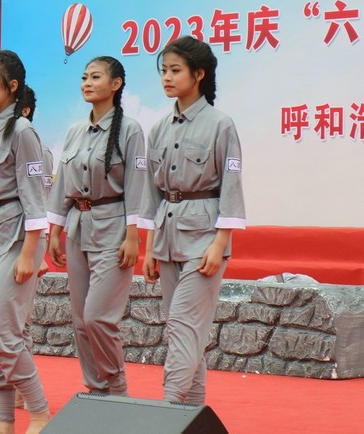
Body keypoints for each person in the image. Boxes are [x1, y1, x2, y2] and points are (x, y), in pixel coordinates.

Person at [140, 36, 246, 405]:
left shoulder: (221, 125)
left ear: (198, 74)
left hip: (204, 238)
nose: (167, 78)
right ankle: (192, 415)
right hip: (167, 236)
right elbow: (151, 192)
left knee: (183, 324)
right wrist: (150, 248)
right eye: (163, 71)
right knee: (188, 331)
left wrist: (220, 243)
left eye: (175, 70)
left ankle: (167, 408)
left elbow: (231, 186)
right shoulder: (159, 129)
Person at [47, 56, 147, 396]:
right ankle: (95, 390)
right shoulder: (74, 131)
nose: (87, 83)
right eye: (84, 77)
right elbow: (62, 183)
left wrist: (132, 236)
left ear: (116, 84)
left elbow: (136, 184)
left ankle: (116, 388)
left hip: (113, 229)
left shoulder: (130, 130)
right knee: (80, 321)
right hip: (77, 227)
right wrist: (55, 232)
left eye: (95, 77)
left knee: (98, 317)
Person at [0, 50, 51, 434]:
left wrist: (30, 254)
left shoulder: (22, 132)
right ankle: (3, 421)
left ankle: (40, 413)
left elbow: (35, 197)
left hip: (18, 239)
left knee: (2, 331)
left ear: (12, 86)